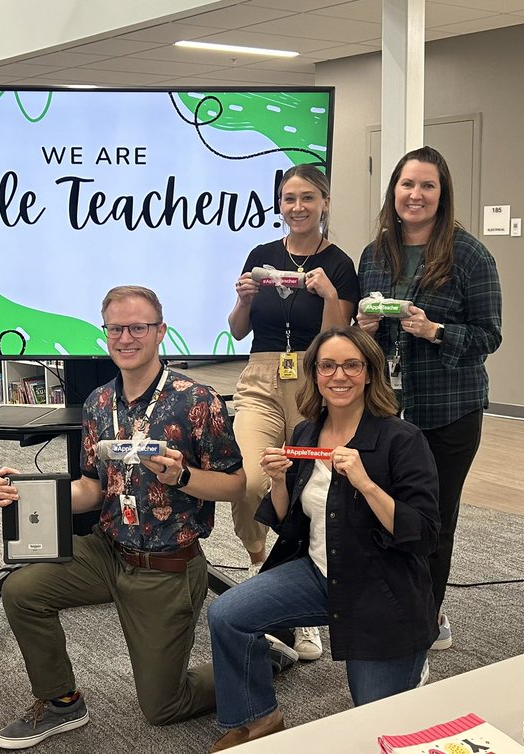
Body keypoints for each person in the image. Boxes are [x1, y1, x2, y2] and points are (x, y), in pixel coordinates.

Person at [0, 285, 245, 750]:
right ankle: (62, 701)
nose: (126, 337)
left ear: (160, 332)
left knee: (162, 707)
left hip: (166, 567)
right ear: (105, 333)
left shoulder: (198, 400)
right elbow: (92, 488)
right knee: (23, 591)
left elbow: (235, 485)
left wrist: (182, 476)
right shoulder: (98, 403)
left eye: (138, 327)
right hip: (107, 551)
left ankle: (257, 658)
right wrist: (28, 493)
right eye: (116, 328)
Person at [205, 326, 440, 751]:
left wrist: (367, 484)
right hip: (320, 572)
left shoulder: (402, 440)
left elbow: (422, 536)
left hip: (382, 591)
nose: (339, 375)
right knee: (228, 615)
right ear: (314, 374)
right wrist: (277, 482)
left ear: (370, 372)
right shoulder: (306, 435)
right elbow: (289, 523)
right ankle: (259, 719)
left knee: (378, 731)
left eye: (352, 365)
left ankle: (412, 669)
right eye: (327, 365)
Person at [356, 146, 503, 652]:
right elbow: (365, 344)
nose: (415, 195)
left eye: (427, 186)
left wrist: (436, 331)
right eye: (406, 184)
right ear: (393, 191)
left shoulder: (470, 255)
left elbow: (489, 336)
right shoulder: (374, 254)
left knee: (432, 520)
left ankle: (423, 620)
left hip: (448, 411)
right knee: (378, 511)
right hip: (384, 410)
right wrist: (363, 328)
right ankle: (387, 604)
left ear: (442, 195)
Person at [227, 164, 359, 662]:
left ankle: (305, 614)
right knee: (250, 480)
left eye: (307, 197)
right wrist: (242, 301)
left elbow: (338, 339)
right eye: (288, 198)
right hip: (260, 379)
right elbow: (238, 330)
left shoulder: (341, 264)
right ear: (279, 205)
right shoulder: (262, 255)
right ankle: (262, 565)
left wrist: (328, 296)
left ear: (324, 202)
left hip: (314, 382)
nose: (297, 207)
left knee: (310, 490)